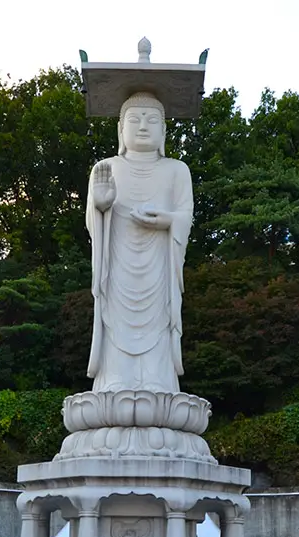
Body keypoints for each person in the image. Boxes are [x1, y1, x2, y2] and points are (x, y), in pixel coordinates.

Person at [85, 92, 193, 395]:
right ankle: (114, 381)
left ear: (164, 132)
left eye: (152, 120)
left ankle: (158, 382)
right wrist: (101, 206)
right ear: (121, 130)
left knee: (159, 320)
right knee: (116, 320)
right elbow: (93, 225)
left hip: (159, 265)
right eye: (134, 119)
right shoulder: (105, 168)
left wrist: (168, 220)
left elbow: (185, 215)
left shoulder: (177, 170)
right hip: (118, 266)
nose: (143, 126)